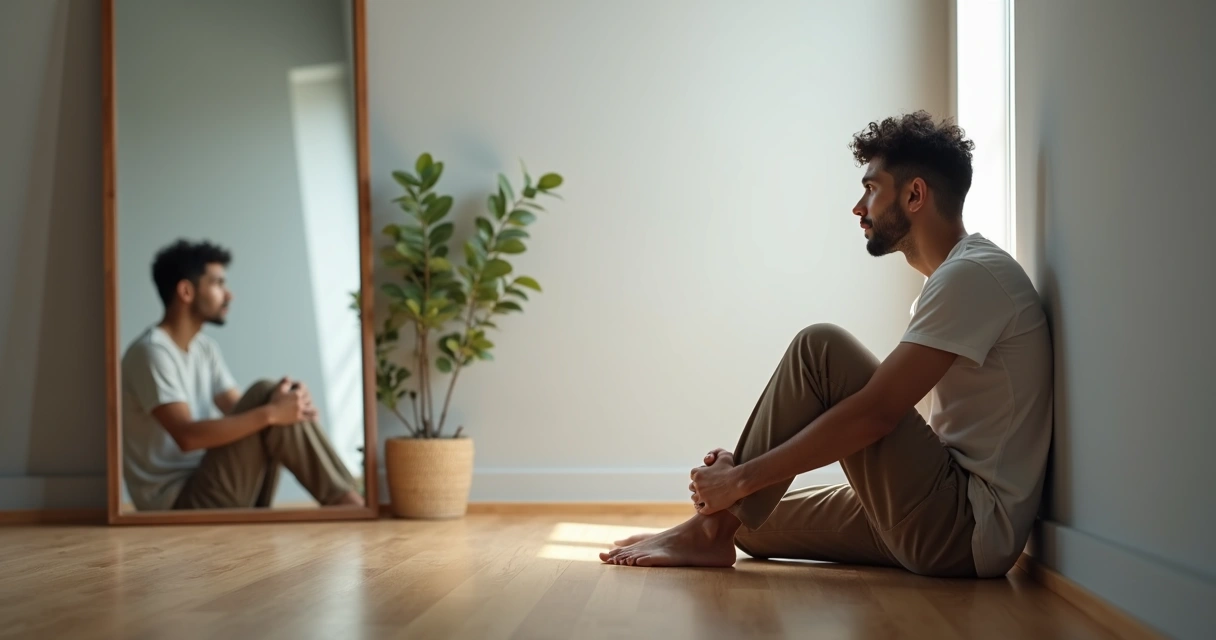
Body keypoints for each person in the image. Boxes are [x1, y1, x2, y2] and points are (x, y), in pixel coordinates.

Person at [602, 112, 1052, 578]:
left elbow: (877, 414)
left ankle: (708, 530)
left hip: (964, 528)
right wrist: (744, 481)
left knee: (820, 349)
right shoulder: (955, 280)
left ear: (915, 194)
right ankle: (713, 528)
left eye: (872, 188)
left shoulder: (972, 276)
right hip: (942, 511)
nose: (860, 207)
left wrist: (740, 479)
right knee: (750, 525)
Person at [121, 239, 364, 511]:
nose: (228, 295)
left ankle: (349, 498)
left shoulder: (204, 349)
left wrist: (291, 408)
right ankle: (349, 501)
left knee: (274, 394)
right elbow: (187, 437)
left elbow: (239, 408)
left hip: (212, 483)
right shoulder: (152, 352)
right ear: (186, 291)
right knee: (267, 398)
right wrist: (273, 412)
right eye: (218, 284)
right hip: (178, 502)